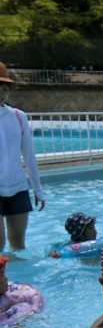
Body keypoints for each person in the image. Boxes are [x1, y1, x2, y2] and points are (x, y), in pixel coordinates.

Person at [0, 63, 46, 252]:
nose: (1, 92)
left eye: (4, 89)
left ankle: (15, 282)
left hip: (18, 188)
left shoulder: (18, 116)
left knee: (18, 245)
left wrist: (37, 189)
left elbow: (29, 155)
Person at [0, 255, 45, 328]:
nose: (6, 278)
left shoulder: (9, 296)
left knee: (23, 311)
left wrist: (33, 311)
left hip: (10, 323)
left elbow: (34, 295)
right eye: (2, 274)